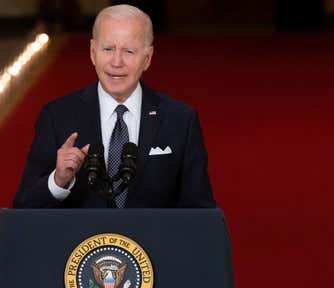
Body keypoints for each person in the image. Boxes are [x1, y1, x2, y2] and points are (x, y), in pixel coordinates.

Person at [13, 4, 215, 209]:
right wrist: (58, 181)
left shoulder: (180, 120)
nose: (116, 62)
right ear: (93, 53)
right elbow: (24, 208)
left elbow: (200, 213)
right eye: (108, 49)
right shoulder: (57, 117)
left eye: (128, 51)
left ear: (147, 59)